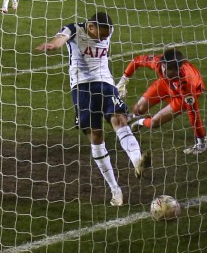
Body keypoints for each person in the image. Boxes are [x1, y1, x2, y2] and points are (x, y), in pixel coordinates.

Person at [35, 12, 150, 206]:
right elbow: (61, 38)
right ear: (91, 28)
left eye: (107, 35)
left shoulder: (108, 30)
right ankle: (115, 190)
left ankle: (137, 161)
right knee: (96, 137)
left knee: (120, 120)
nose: (105, 38)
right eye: (101, 35)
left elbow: (104, 38)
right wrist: (54, 45)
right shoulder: (74, 29)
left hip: (105, 83)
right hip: (82, 88)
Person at [117, 47, 207, 154]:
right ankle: (135, 115)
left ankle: (140, 122)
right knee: (138, 108)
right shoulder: (159, 62)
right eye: (164, 66)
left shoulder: (187, 85)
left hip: (181, 97)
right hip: (165, 84)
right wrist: (124, 80)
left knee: (154, 123)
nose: (163, 70)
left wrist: (201, 140)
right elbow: (137, 60)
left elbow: (194, 113)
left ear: (177, 69)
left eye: (168, 68)